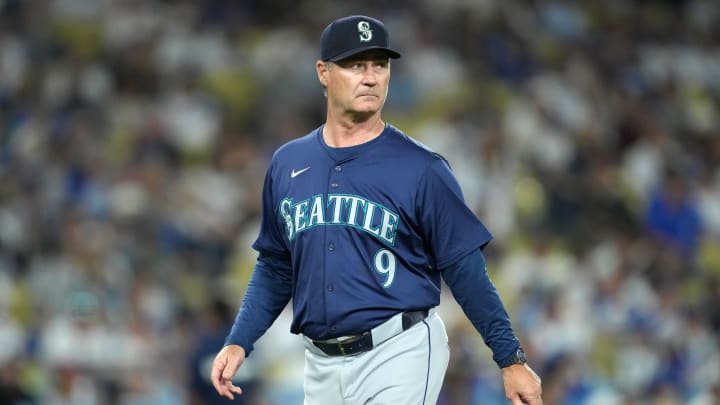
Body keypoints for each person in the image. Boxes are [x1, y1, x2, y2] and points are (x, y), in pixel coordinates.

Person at [211, 14, 543, 405]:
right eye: (355, 65)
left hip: (398, 349)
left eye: (379, 65)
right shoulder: (287, 163)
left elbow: (465, 270)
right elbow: (276, 266)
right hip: (320, 363)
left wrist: (511, 359)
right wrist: (239, 341)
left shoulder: (422, 168)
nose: (371, 77)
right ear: (323, 72)